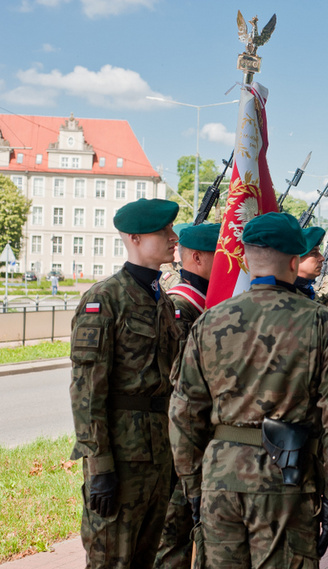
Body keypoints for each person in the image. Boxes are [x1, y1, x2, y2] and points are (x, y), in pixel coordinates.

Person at [169, 212, 328, 567]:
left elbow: (184, 413)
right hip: (286, 480)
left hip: (220, 479)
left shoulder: (210, 321)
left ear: (244, 258)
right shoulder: (320, 323)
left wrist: (193, 484)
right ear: (294, 261)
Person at [69, 198, 182, 569]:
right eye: (163, 230)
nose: (173, 236)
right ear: (134, 237)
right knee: (111, 560)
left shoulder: (161, 299)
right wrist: (99, 466)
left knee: (145, 559)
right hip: (120, 457)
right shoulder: (104, 300)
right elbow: (87, 393)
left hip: (158, 454)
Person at [155, 222, 219, 569]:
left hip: (203, 438)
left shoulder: (211, 304)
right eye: (218, 254)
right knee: (175, 535)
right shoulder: (182, 308)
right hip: (180, 442)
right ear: (195, 257)